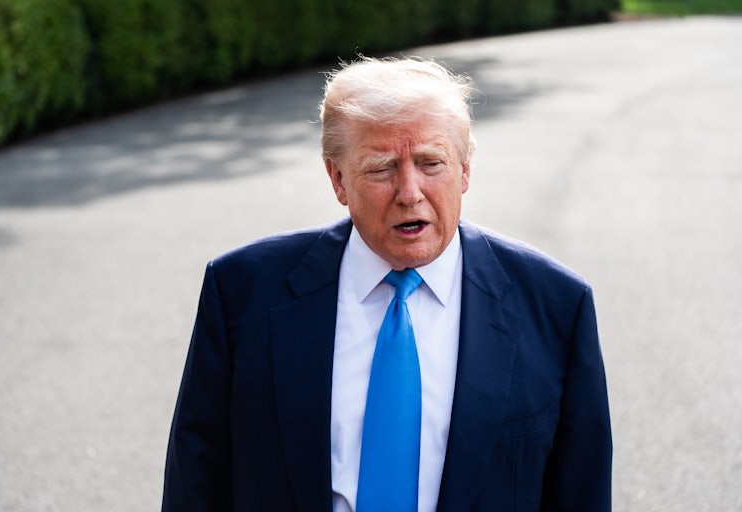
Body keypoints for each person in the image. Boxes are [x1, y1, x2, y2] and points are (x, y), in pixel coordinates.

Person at [162, 56, 612, 512]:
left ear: (465, 170)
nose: (410, 192)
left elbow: (582, 492)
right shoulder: (242, 293)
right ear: (338, 179)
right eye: (381, 168)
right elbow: (195, 485)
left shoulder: (556, 306)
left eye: (430, 163)